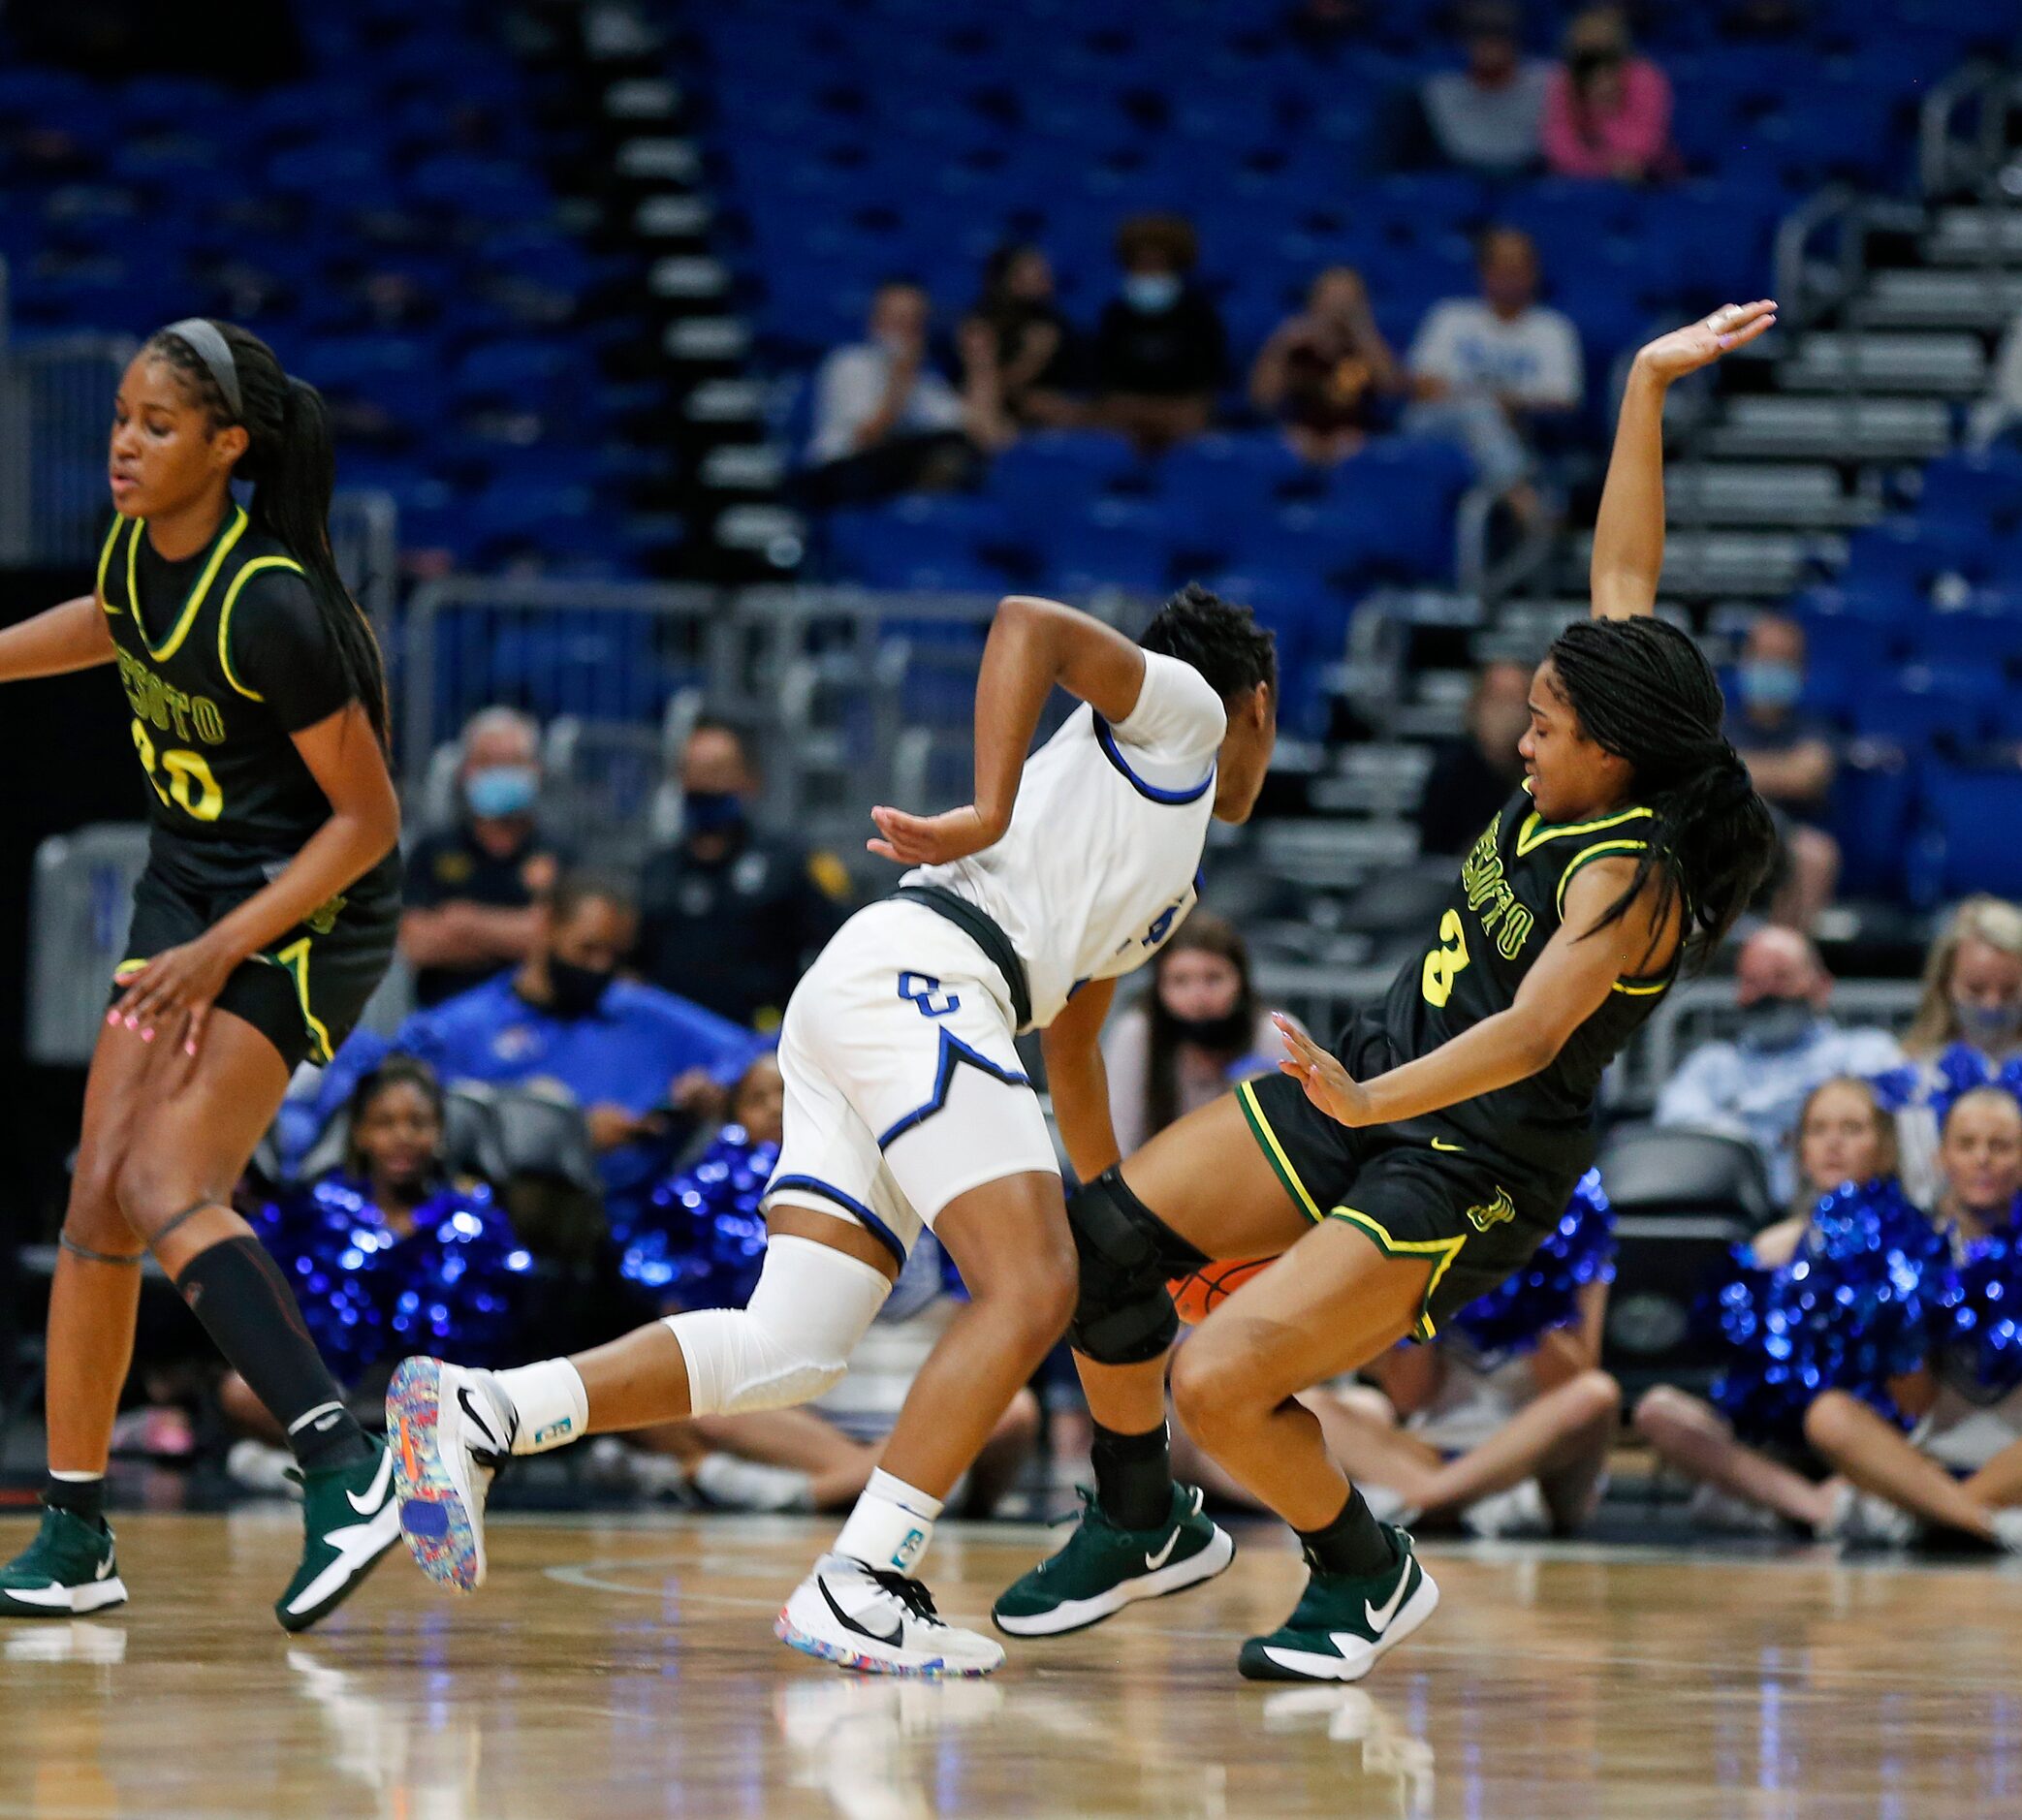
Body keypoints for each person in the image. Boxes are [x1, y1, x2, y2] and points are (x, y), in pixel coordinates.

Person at [989, 302, 1782, 1684]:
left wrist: (1366, 1098)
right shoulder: (1615, 717)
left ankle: (1363, 1569)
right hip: (1381, 1070)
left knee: (1219, 1379)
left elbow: (1531, 1031)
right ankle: (1136, 1518)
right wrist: (1644, 382)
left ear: (1617, 754)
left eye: (1543, 725)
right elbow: (1623, 562)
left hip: (1474, 1155)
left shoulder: (1633, 879)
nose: (1520, 737)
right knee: (1106, 1243)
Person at [386, 582, 1279, 1678]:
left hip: (873, 991)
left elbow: (1075, 1044)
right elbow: (1024, 625)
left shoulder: (1165, 869)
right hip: (928, 978)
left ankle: (484, 1408)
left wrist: (1121, 1216)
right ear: (1260, 709)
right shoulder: (1186, 709)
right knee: (1030, 1284)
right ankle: (863, 1579)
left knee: (792, 1345)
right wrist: (988, 809)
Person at [0, 321, 408, 1630]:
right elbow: (111, 622)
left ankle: (347, 1463)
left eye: (157, 425)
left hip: (304, 906)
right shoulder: (135, 551)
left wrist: (221, 950)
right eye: (121, 418)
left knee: (172, 1179)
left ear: (229, 447)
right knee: (96, 1199)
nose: (125, 443)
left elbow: (367, 823)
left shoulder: (273, 601)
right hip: (189, 892)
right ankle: (73, 1529)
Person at [318, 872, 761, 1208]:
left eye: (614, 955)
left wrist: (719, 1085)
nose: (600, 967)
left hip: (636, 1229)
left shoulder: (642, 1012)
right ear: (546, 926)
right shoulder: (459, 1028)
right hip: (505, 1230)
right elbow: (392, 1111)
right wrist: (569, 1136)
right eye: (586, 950)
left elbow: (758, 1050)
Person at [221, 1057, 530, 1488]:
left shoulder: (475, 1221)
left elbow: (501, 1331)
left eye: (418, 1123)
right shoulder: (321, 1211)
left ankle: (346, 1474)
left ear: (439, 1132)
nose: (402, 1136)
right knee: (241, 1390)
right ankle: (371, 1466)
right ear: (361, 1134)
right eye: (385, 1123)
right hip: (337, 1393)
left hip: (440, 1400)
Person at [1632, 1076, 1911, 1533]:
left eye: (1852, 1128)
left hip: (1868, 1437)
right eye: (1818, 1130)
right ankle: (1818, 1510)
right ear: (1799, 1149)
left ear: (1884, 1147)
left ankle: (1787, 1504)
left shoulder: (1911, 1241)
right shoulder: (1769, 1245)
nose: (1833, 1143)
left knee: (1717, 1504)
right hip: (1778, 1439)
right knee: (1657, 1410)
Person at [1804, 1085, 2022, 1552]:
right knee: (1829, 1415)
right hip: (1928, 1455)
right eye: (1966, 1145)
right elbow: (1915, 1403)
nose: (1982, 1159)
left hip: (2015, 1458)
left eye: (2000, 1146)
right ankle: (1978, 1523)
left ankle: (1939, 1516)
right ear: (1943, 1157)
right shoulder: (1908, 1249)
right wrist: (1903, 1328)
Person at [1653, 926, 1903, 1205]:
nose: (1766, 993)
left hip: (1846, 1212)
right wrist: (1778, 1129)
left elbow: (1889, 1121)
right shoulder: (1711, 1065)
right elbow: (1675, 1122)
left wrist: (1744, 1114)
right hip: (1737, 1214)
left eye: (1781, 977)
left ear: (1822, 985)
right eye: (1753, 981)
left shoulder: (1865, 1050)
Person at [635, 716, 852, 1030]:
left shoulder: (788, 864)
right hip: (676, 1050)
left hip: (760, 1046)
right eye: (693, 772)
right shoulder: (658, 870)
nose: (704, 784)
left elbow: (840, 946)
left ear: (750, 780)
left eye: (717, 772)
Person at [1404, 228, 1583, 518]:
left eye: (1517, 268)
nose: (1509, 276)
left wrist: (1492, 402)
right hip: (1436, 428)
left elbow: (1563, 400)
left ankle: (1511, 490)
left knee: (1480, 411)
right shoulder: (1450, 316)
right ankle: (1519, 492)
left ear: (1533, 272)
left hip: (1518, 432)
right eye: (1500, 267)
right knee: (1476, 409)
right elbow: (1422, 385)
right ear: (1483, 272)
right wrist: (1490, 401)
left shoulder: (1553, 329)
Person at [399, 706, 571, 1008]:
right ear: (467, 771)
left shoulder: (561, 852)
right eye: (488, 762)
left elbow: (560, 942)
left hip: (535, 1024)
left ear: (536, 770)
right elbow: (418, 946)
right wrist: (517, 938)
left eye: (513, 762)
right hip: (445, 1021)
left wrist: (464, 921)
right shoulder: (432, 849)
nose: (500, 773)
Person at [1102, 913, 1293, 1157]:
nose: (1198, 997)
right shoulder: (1136, 1035)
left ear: (1241, 981)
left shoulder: (1276, 1035)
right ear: (1158, 988)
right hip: (1154, 1184)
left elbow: (1296, 1147)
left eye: (1213, 979)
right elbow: (1118, 1141)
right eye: (1180, 981)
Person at [1876, 895, 2022, 1207]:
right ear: (1944, 985)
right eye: (1975, 989)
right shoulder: (1906, 1072)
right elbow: (1910, 1187)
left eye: (2010, 990)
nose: (1992, 1005)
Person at [805, 279, 1004, 504]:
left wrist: (981, 364)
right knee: (947, 451)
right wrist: (901, 380)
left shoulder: (928, 380)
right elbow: (867, 438)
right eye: (898, 319)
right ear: (875, 320)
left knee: (961, 455)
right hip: (841, 476)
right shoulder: (849, 363)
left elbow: (985, 436)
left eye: (916, 320)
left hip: (900, 476)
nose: (907, 328)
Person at [1726, 613, 1840, 930]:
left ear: (1801, 671)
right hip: (1726, 833)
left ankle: (1784, 955)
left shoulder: (1816, 725)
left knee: (1816, 854)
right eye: (1764, 657)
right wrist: (1781, 769)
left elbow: (1806, 777)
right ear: (1746, 661)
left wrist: (1735, 769)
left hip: (1790, 838)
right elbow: (1697, 775)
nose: (1772, 668)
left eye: (1783, 660)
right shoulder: (1719, 722)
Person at [1092, 215, 1229, 455]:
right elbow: (1102, 376)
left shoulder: (1199, 314)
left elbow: (1209, 374)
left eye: (1158, 265)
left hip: (1181, 409)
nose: (1150, 272)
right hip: (1126, 408)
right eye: (1142, 265)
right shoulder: (1115, 315)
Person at [1248, 266, 1401, 465]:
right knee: (1295, 443)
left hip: (1356, 433)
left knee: (1348, 443)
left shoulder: (1369, 347)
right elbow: (1262, 400)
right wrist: (1280, 348)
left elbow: (1392, 389)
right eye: (1332, 297)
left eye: (1348, 299)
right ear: (1314, 300)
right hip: (1299, 430)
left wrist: (1365, 336)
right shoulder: (1293, 344)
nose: (1339, 306)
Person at [1540, 6, 1675, 183]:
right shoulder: (1563, 81)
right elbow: (1557, 140)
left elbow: (1650, 139)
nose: (1595, 53)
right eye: (1588, 49)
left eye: (1602, 46)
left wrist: (1607, 113)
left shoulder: (1644, 78)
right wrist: (1595, 167)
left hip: (1640, 174)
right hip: (1576, 176)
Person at [1417, 659, 1533, 856]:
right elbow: (1433, 851)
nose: (1505, 713)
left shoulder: (1541, 770)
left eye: (1514, 701)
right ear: (1475, 706)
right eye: (1496, 700)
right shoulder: (1448, 772)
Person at [1420, 1, 1552, 175]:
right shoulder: (1439, 90)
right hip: (1462, 179)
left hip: (1533, 180)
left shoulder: (1550, 83)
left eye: (1500, 32)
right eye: (1480, 32)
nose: (1490, 43)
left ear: (1516, 38)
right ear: (1464, 40)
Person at [964, 243, 1085, 431]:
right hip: (993, 409)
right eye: (1033, 270)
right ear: (1008, 279)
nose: (1044, 275)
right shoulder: (981, 323)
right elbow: (986, 389)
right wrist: (1031, 360)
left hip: (1055, 403)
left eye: (1043, 269)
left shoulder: (1055, 321)